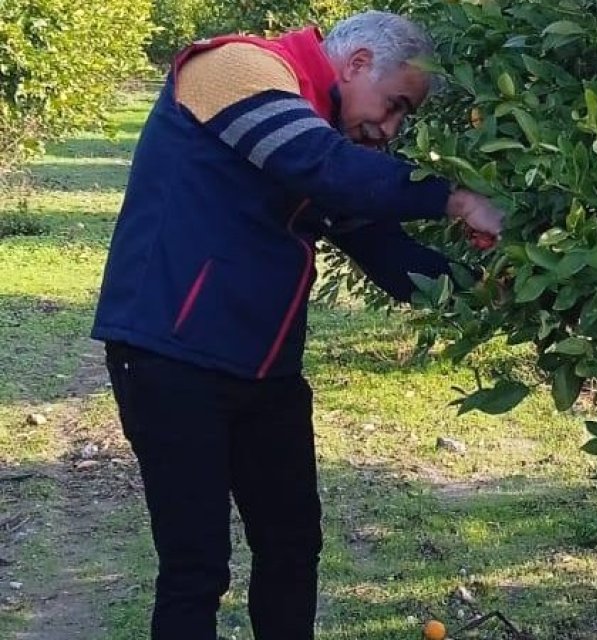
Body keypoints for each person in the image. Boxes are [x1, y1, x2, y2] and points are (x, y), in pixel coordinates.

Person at [90, 11, 502, 640]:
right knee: (195, 567)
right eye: (395, 105)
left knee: (291, 546)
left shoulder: (320, 135)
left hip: (264, 369)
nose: (390, 129)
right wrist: (456, 198)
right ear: (358, 62)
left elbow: (387, 252)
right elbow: (319, 165)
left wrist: (496, 291)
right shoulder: (237, 67)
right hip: (171, 355)